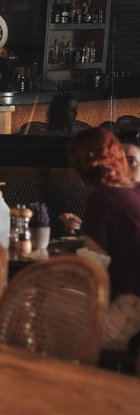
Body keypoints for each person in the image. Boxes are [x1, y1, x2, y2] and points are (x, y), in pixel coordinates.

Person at [68, 128, 140, 349]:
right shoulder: (134, 192)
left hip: (129, 314)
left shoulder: (101, 199)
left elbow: (93, 273)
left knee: (50, 322)